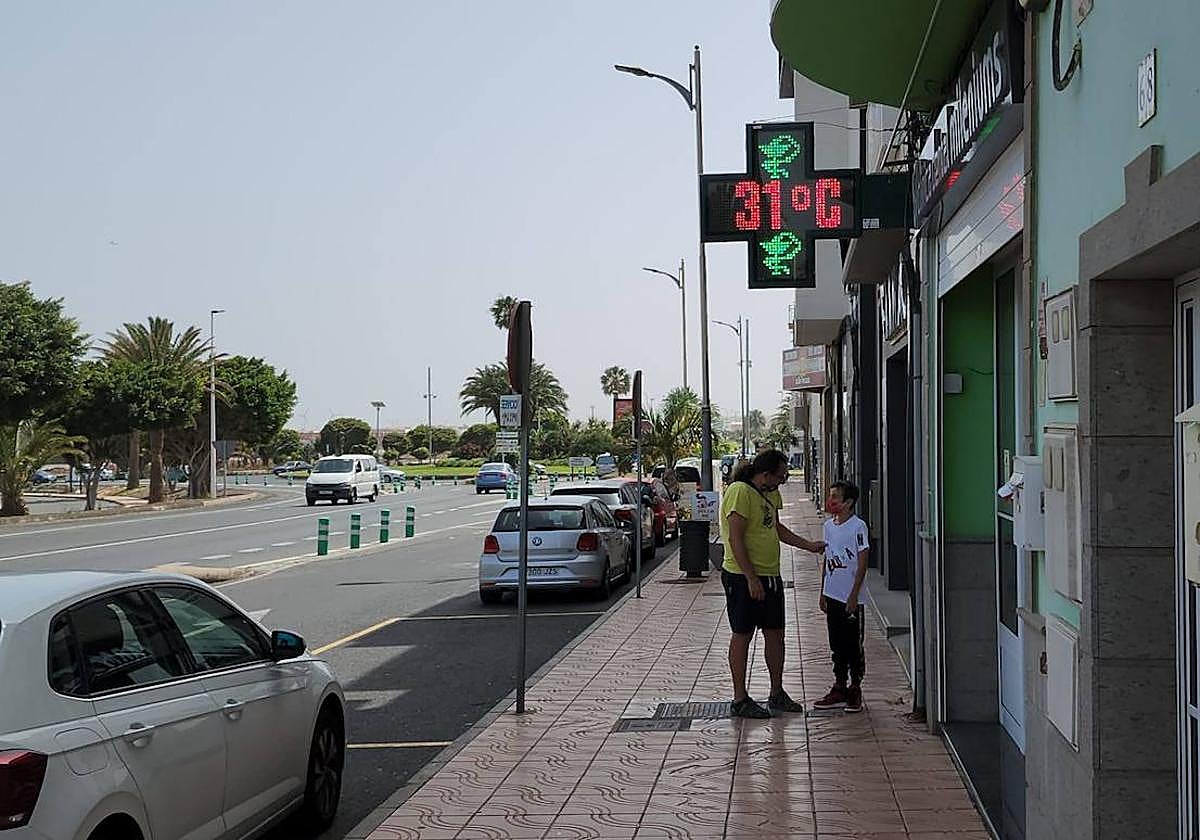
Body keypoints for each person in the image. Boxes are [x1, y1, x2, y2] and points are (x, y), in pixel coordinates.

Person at [720, 449, 825, 718]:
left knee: (776, 634)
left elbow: (776, 528)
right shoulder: (740, 492)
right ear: (765, 473)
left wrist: (809, 546)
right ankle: (740, 698)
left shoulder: (770, 493)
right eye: (780, 475)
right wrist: (751, 578)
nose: (783, 480)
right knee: (742, 635)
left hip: (771, 575)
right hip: (742, 577)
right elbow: (735, 539)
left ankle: (777, 692)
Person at [813, 480, 870, 713]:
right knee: (835, 642)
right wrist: (823, 591)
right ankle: (839, 684)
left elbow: (863, 561)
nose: (831, 500)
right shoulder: (828, 526)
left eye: (836, 496)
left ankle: (855, 687)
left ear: (848, 503)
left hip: (851, 598)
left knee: (852, 643)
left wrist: (854, 595)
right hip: (832, 593)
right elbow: (828, 559)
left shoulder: (858, 527)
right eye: (830, 495)